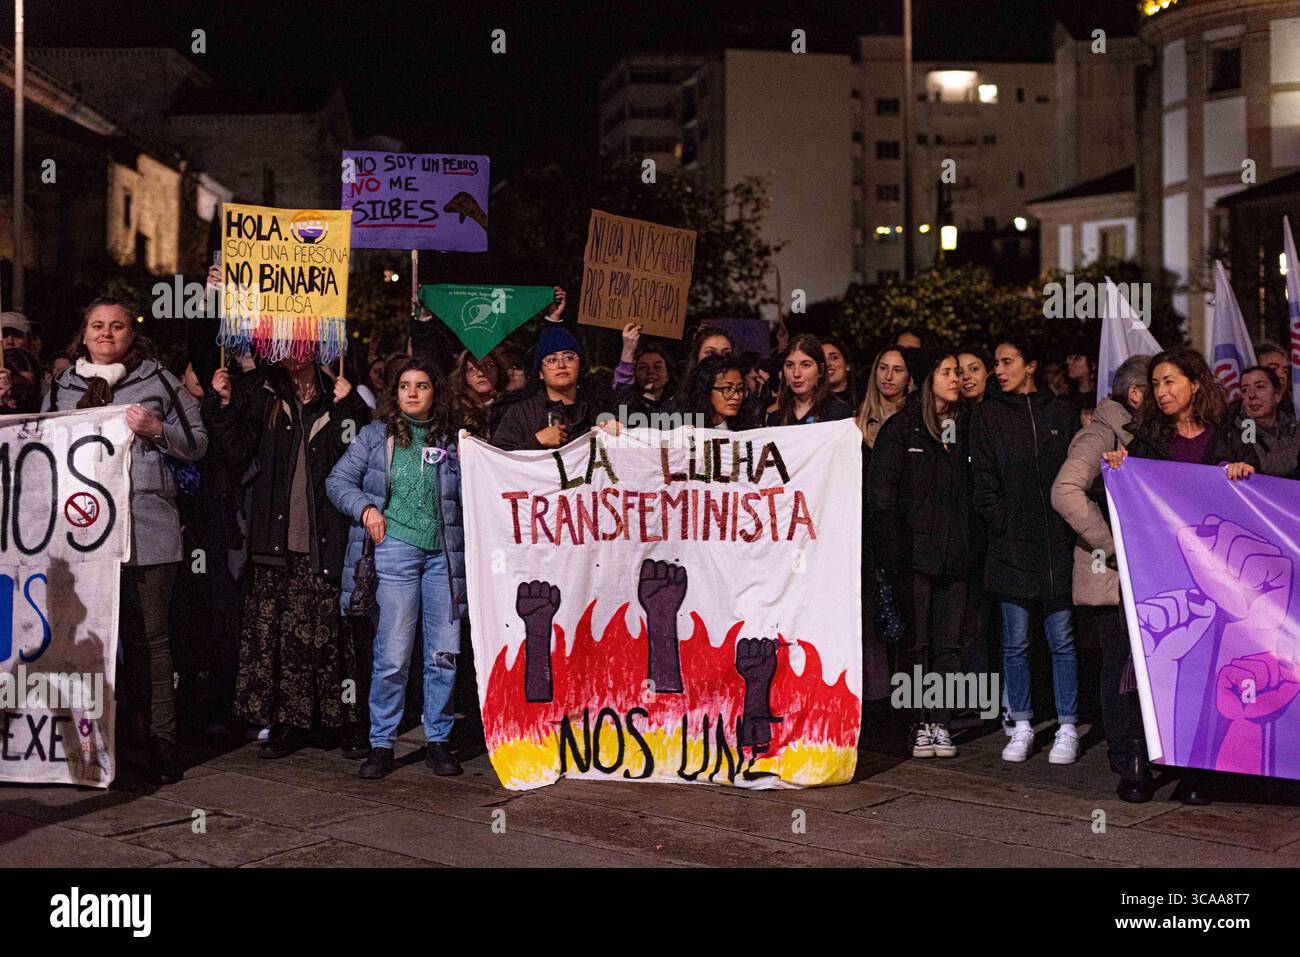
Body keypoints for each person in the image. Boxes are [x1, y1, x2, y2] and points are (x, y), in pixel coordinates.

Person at [45, 295, 209, 784]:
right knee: (88, 640)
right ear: (84, 332)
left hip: (147, 532)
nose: (106, 334)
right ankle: (94, 738)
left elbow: (197, 443)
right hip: (80, 539)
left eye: (117, 326)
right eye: (97, 325)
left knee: (150, 640)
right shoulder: (61, 387)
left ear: (130, 334)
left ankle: (158, 739)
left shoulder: (158, 380)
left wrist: (158, 430)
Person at [1103, 348, 1255, 804]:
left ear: (1194, 384)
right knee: (1143, 666)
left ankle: (1198, 769)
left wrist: (1245, 473)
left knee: (1201, 673)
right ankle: (1138, 761)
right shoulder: (1145, 441)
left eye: (1170, 381)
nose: (1162, 391)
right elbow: (1119, 501)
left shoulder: (1228, 440)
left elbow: (1253, 507)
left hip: (1214, 581)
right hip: (1158, 574)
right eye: (1156, 384)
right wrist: (1116, 473)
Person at [206, 350, 371, 758]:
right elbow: (236, 453)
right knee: (280, 637)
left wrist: (349, 405)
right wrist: (223, 405)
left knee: (334, 636)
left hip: (326, 538)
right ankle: (287, 723)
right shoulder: (261, 393)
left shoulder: (339, 392)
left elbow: (360, 453)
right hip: (274, 537)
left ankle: (344, 722)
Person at [327, 356, 468, 779]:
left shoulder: (454, 441)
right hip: (395, 553)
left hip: (443, 558)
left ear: (434, 393)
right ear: (395, 393)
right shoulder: (375, 436)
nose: (412, 392)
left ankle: (438, 740)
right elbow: (337, 482)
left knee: (444, 653)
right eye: (405, 385)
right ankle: (382, 742)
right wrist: (366, 508)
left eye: (421, 385)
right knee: (392, 655)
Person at [970, 337, 1081, 765]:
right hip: (1010, 546)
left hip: (1055, 545)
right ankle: (1021, 724)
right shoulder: (988, 416)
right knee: (1015, 642)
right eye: (995, 363)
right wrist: (1004, 523)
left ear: (1030, 365)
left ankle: (1068, 725)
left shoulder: (1060, 412)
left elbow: (1077, 473)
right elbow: (983, 483)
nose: (999, 370)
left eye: (1007, 362)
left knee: (1062, 639)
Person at [1050, 354, 1152, 801]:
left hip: (1144, 571)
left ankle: (1142, 748)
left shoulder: (1142, 433)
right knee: (1119, 663)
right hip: (1111, 575)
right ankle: (1126, 752)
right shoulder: (1099, 434)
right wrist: (1114, 544)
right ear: (1136, 394)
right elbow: (1064, 491)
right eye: (1158, 385)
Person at [869, 353, 976, 759]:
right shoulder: (902, 429)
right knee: (917, 645)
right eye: (948, 372)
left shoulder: (968, 426)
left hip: (958, 558)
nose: (957, 379)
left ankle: (941, 723)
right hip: (913, 559)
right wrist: (894, 558)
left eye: (960, 372)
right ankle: (916, 724)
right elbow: (883, 499)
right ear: (929, 379)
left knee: (948, 647)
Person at [490, 322, 617, 450]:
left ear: (580, 366)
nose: (561, 365)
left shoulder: (599, 408)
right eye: (551, 360)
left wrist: (620, 435)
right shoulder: (521, 413)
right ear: (540, 373)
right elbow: (498, 459)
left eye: (569, 358)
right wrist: (536, 443)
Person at [1216, 365, 1299, 478]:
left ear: (1277, 395)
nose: (1251, 395)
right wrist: (1231, 467)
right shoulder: (1232, 433)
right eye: (1245, 390)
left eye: (1260, 387)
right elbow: (1218, 463)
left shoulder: (1295, 428)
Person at [764, 334, 852, 426]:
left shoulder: (838, 413)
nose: (796, 374)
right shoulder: (775, 418)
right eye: (789, 365)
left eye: (805, 365)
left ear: (820, 370)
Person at [856, 348, 910, 448]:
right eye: (883, 368)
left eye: (897, 370)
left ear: (908, 378)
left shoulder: (915, 422)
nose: (888, 376)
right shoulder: (858, 422)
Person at [680, 354, 750, 430]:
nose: (737, 397)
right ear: (706, 390)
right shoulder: (684, 429)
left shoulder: (747, 429)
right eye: (727, 389)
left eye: (740, 389)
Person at [449, 350, 499, 439]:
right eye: (471, 369)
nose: (481, 373)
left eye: (488, 366)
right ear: (464, 376)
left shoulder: (513, 407)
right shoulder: (454, 411)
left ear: (499, 370)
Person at [1254, 339, 1293, 417]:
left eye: (1285, 371)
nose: (1282, 376)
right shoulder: (1233, 416)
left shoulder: (1294, 408)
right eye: (1273, 368)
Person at [822, 336, 856, 409]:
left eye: (834, 358)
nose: (828, 364)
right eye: (822, 360)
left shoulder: (864, 400)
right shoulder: (811, 405)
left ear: (847, 365)